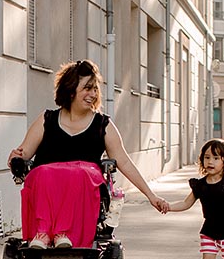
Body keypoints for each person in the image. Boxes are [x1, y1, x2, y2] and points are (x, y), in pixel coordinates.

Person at [9, 60, 167, 249]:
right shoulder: (47, 120)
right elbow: (23, 153)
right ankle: (43, 232)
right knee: (41, 172)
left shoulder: (103, 125)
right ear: (70, 90)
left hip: (84, 182)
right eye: (87, 88)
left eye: (95, 89)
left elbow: (124, 161)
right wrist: (15, 159)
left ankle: (64, 232)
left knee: (80, 173)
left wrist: (151, 195)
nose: (93, 94)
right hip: (47, 181)